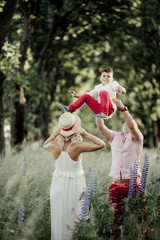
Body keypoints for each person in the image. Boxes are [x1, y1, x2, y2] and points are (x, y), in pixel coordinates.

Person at [43, 112, 105, 240]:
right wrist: (85, 133)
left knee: (59, 218)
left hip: (57, 186)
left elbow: (45, 145)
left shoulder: (53, 145)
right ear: (75, 130)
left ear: (61, 130)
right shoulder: (77, 146)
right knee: (74, 219)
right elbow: (101, 144)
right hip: (74, 186)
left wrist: (53, 135)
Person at [95, 97, 151, 239]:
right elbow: (101, 128)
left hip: (133, 186)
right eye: (125, 122)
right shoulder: (114, 137)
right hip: (115, 188)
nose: (128, 124)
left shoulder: (137, 138)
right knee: (116, 222)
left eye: (131, 123)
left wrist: (123, 108)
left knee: (141, 220)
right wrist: (98, 111)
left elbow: (132, 126)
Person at [59, 67, 126, 119]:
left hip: (109, 109)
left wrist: (121, 89)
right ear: (100, 77)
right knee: (86, 96)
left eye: (108, 76)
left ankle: (104, 113)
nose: (105, 78)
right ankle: (70, 109)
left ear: (112, 79)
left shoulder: (113, 84)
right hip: (99, 109)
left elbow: (123, 91)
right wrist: (76, 95)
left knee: (103, 92)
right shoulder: (98, 87)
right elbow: (88, 95)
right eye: (104, 76)